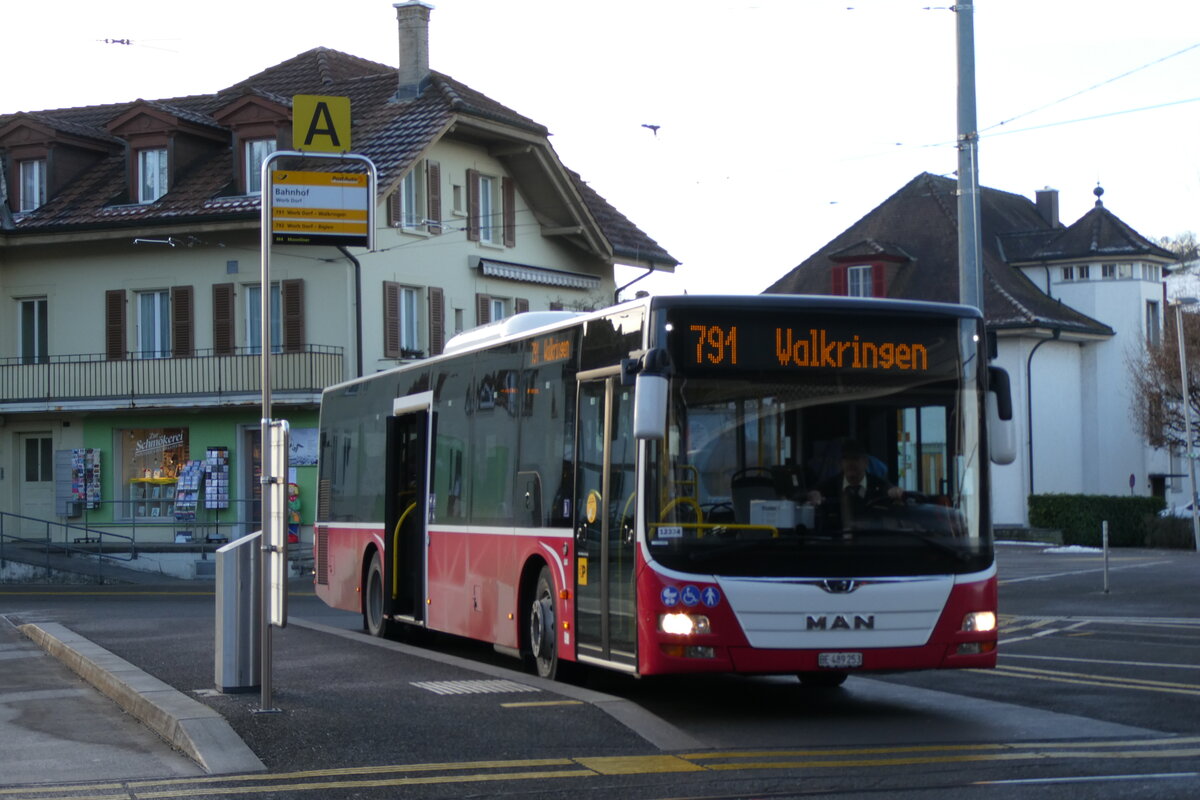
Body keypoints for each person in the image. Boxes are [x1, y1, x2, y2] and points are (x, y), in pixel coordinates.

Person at [806, 439, 904, 508]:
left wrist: (895, 493)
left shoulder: (880, 485)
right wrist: (813, 495)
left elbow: (892, 491)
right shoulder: (829, 485)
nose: (850, 463)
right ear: (840, 463)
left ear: (865, 462)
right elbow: (802, 495)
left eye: (855, 458)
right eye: (846, 458)